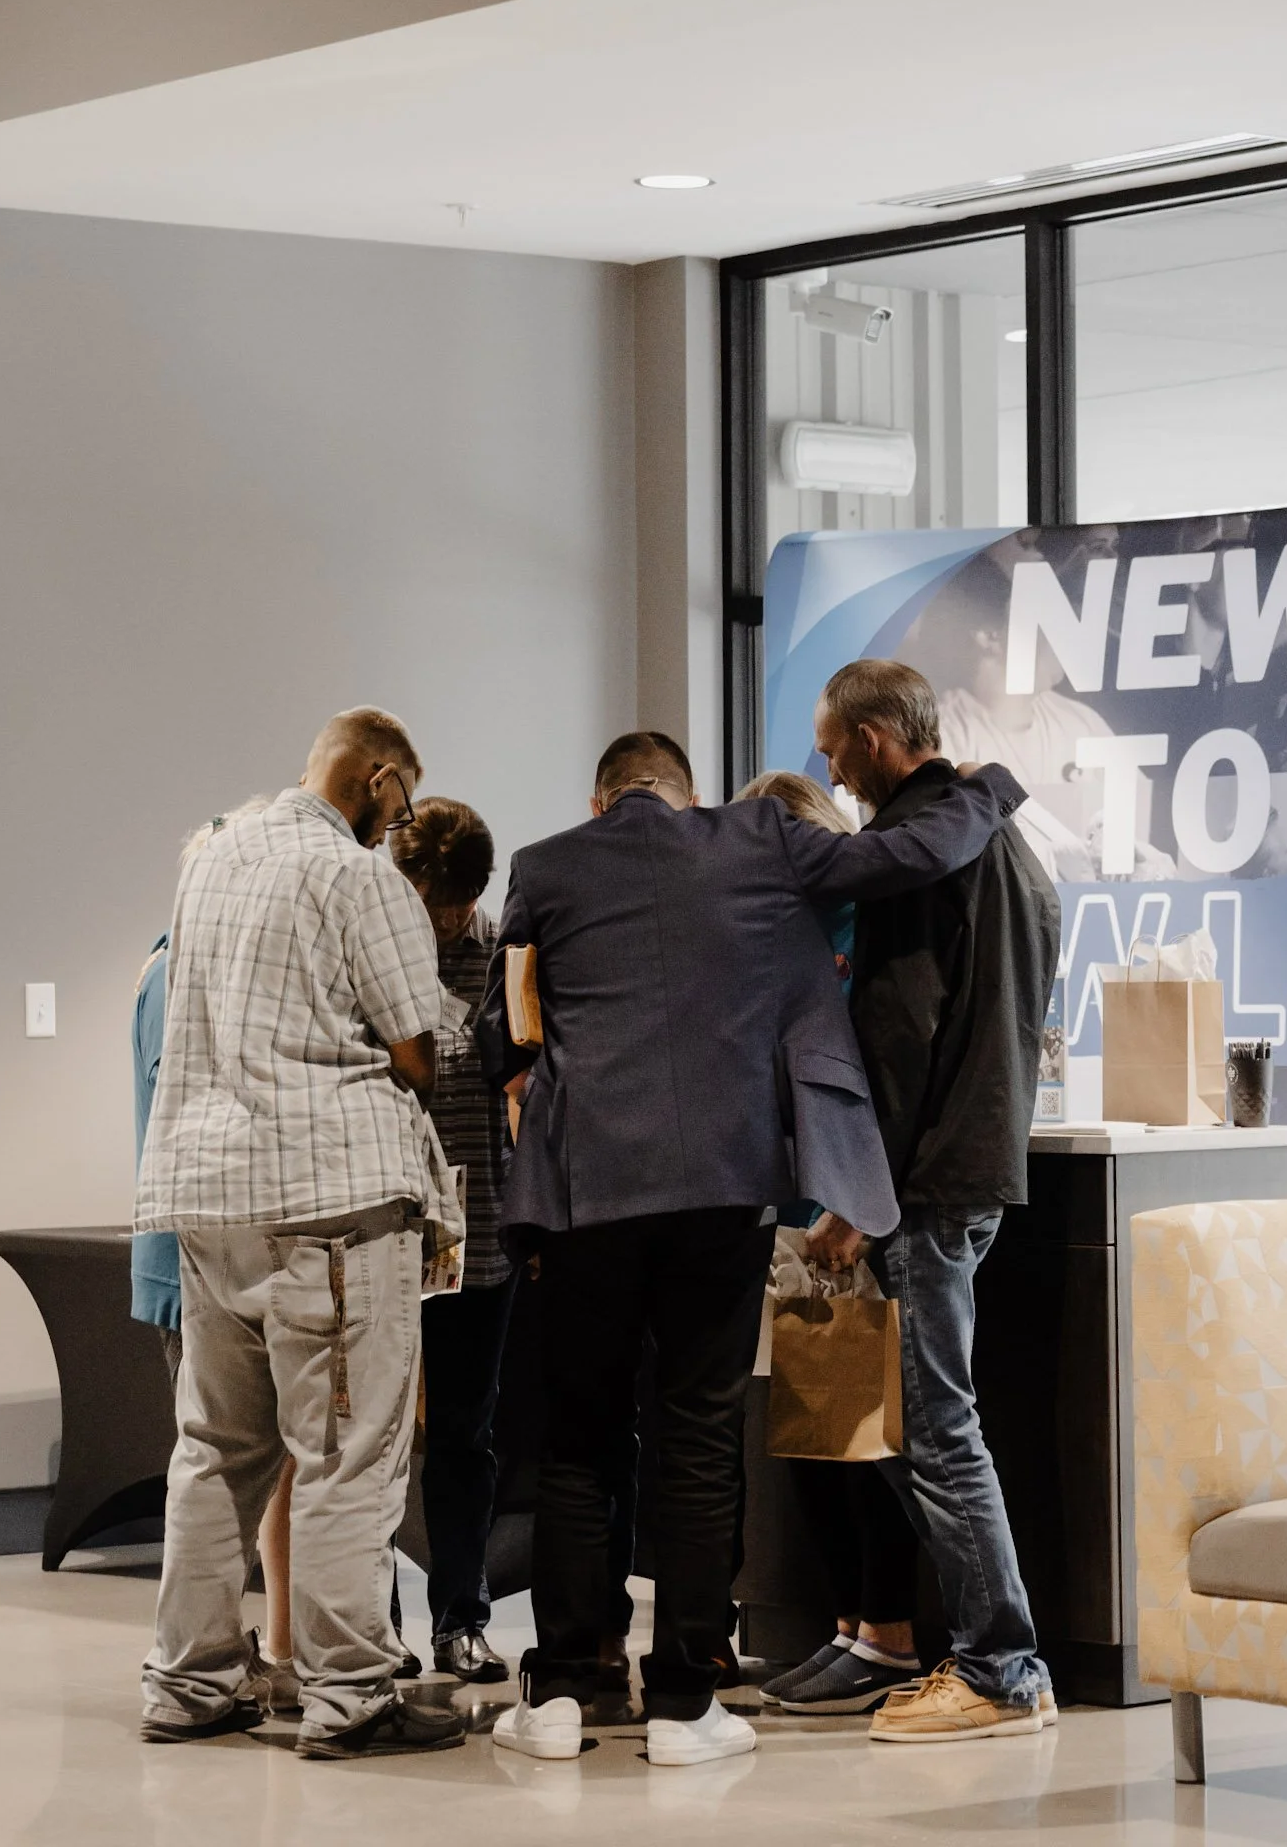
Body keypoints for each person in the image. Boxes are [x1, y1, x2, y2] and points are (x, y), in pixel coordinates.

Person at [479, 730, 1026, 1767]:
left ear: (600, 801)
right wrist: (989, 788)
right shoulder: (757, 838)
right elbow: (909, 853)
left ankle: (562, 1691)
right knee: (697, 1436)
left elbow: (507, 1033)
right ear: (688, 797)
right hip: (723, 1191)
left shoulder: (544, 868)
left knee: (581, 1442)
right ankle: (686, 1703)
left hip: (586, 1199)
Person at [134, 708, 466, 1761]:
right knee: (345, 1456)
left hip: (209, 1196)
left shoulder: (210, 856)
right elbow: (417, 1050)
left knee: (214, 1450)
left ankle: (188, 1681)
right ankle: (351, 1695)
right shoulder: (357, 875)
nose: (399, 822)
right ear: (378, 777)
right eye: (401, 801)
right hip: (330, 1200)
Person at [811, 660, 1060, 1744]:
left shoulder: (913, 858)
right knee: (941, 1423)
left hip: (926, 1184)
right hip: (979, 1166)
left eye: (834, 750)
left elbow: (899, 1044)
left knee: (938, 1431)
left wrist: (860, 1196)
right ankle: (997, 1661)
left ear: (872, 739)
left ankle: (1001, 1668)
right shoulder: (1009, 845)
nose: (831, 771)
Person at [734, 772, 921, 1717]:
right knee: (809, 1439)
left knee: (860, 1439)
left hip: (844, 1215)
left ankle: (888, 1634)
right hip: (783, 1213)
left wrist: (857, 1208)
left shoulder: (862, 928)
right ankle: (849, 1626)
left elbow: (886, 1077)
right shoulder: (774, 931)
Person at [130, 799, 304, 1710]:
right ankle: (206, 1662)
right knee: (222, 1463)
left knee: (233, 1464)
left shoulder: (180, 966)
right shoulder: (177, 975)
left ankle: (226, 1656)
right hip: (195, 1256)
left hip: (202, 1249)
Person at [389, 797, 518, 1684]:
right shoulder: (372, 955)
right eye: (434, 901)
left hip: (479, 1237)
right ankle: (374, 1628)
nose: (448, 918)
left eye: (460, 901)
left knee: (465, 1436)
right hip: (386, 1234)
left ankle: (461, 1620)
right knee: (372, 1442)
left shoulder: (502, 953)